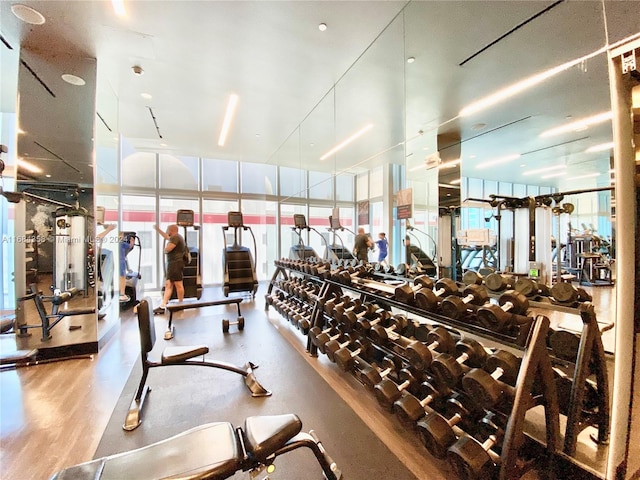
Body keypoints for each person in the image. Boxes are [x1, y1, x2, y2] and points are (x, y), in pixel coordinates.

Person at [154, 223, 186, 310]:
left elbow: (169, 248)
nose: (166, 232)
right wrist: (158, 230)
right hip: (173, 263)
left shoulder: (175, 237)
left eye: (167, 230)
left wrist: (165, 249)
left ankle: (181, 303)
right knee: (168, 284)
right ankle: (164, 304)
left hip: (175, 264)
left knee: (178, 284)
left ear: (171, 231)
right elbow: (166, 237)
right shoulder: (176, 237)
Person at [118, 233, 136, 302]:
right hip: (121, 262)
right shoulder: (122, 243)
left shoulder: (117, 244)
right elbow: (130, 246)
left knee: (121, 277)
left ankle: (121, 294)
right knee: (122, 278)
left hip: (118, 261)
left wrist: (128, 269)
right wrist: (132, 240)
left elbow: (125, 256)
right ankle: (122, 294)